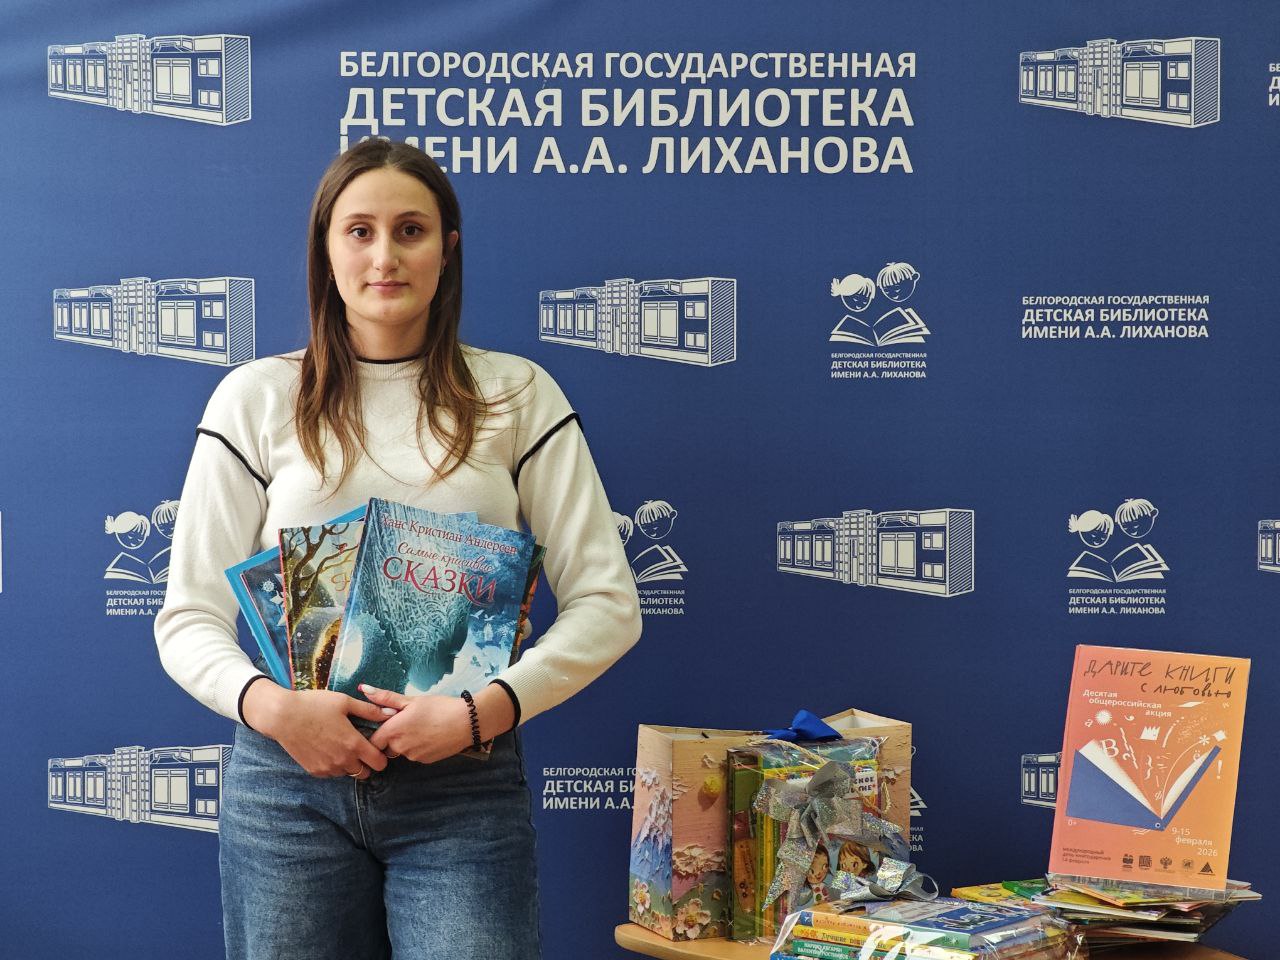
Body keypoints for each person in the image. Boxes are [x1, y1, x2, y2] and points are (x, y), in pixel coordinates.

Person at [154, 138, 642, 960]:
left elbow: (609, 606)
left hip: (463, 787)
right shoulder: (255, 398)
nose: (384, 256)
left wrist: (482, 711)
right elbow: (186, 618)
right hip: (287, 787)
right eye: (360, 231)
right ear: (326, 249)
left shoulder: (518, 395)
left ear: (447, 251)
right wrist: (274, 709)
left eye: (410, 230)